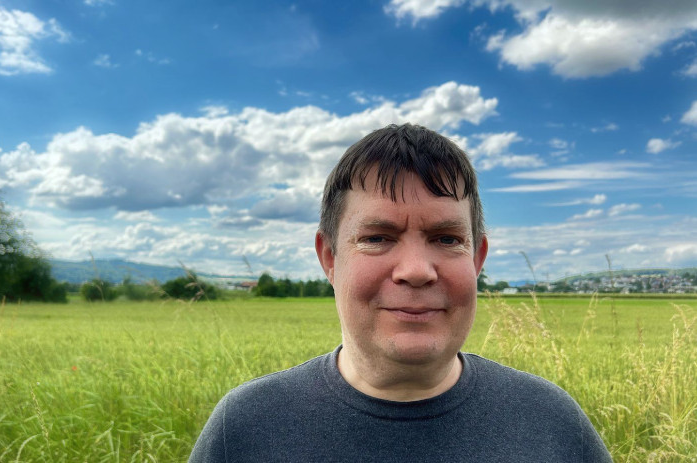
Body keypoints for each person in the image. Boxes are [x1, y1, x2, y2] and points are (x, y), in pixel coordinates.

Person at [189, 123, 612, 462]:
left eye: (447, 239)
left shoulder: (551, 424)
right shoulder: (246, 428)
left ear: (477, 260)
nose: (415, 271)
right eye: (377, 237)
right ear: (329, 258)